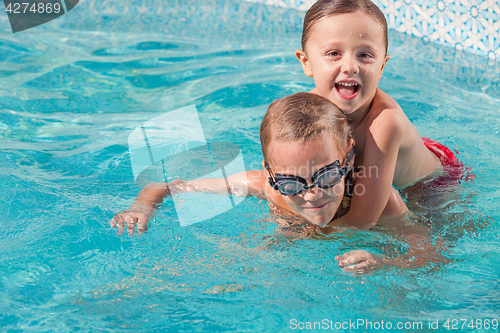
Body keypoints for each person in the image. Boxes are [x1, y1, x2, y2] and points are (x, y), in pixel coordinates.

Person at [110, 93, 415, 272]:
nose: (310, 195)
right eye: (291, 184)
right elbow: (168, 185)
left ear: (348, 157)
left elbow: (431, 252)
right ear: (270, 174)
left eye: (326, 176)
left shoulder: (384, 204)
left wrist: (384, 261)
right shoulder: (263, 186)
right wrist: (140, 208)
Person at [295, 0, 468, 229]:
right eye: (334, 53)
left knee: (429, 234)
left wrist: (310, 234)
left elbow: (362, 221)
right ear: (306, 62)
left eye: (364, 55)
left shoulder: (385, 123)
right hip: (382, 162)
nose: (350, 66)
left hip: (430, 183)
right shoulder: (306, 109)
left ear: (382, 67)